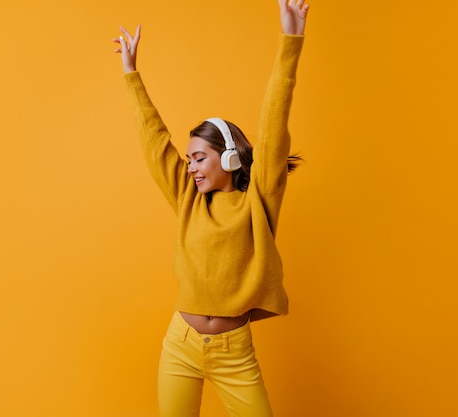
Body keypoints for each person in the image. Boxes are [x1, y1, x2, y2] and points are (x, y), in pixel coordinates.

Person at [113, 1, 310, 415]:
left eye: (199, 158)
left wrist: (291, 39)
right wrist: (131, 74)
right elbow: (154, 140)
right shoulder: (187, 197)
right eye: (188, 160)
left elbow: (275, 121)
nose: (191, 167)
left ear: (229, 158)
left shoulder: (259, 198)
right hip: (180, 345)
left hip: (234, 352)